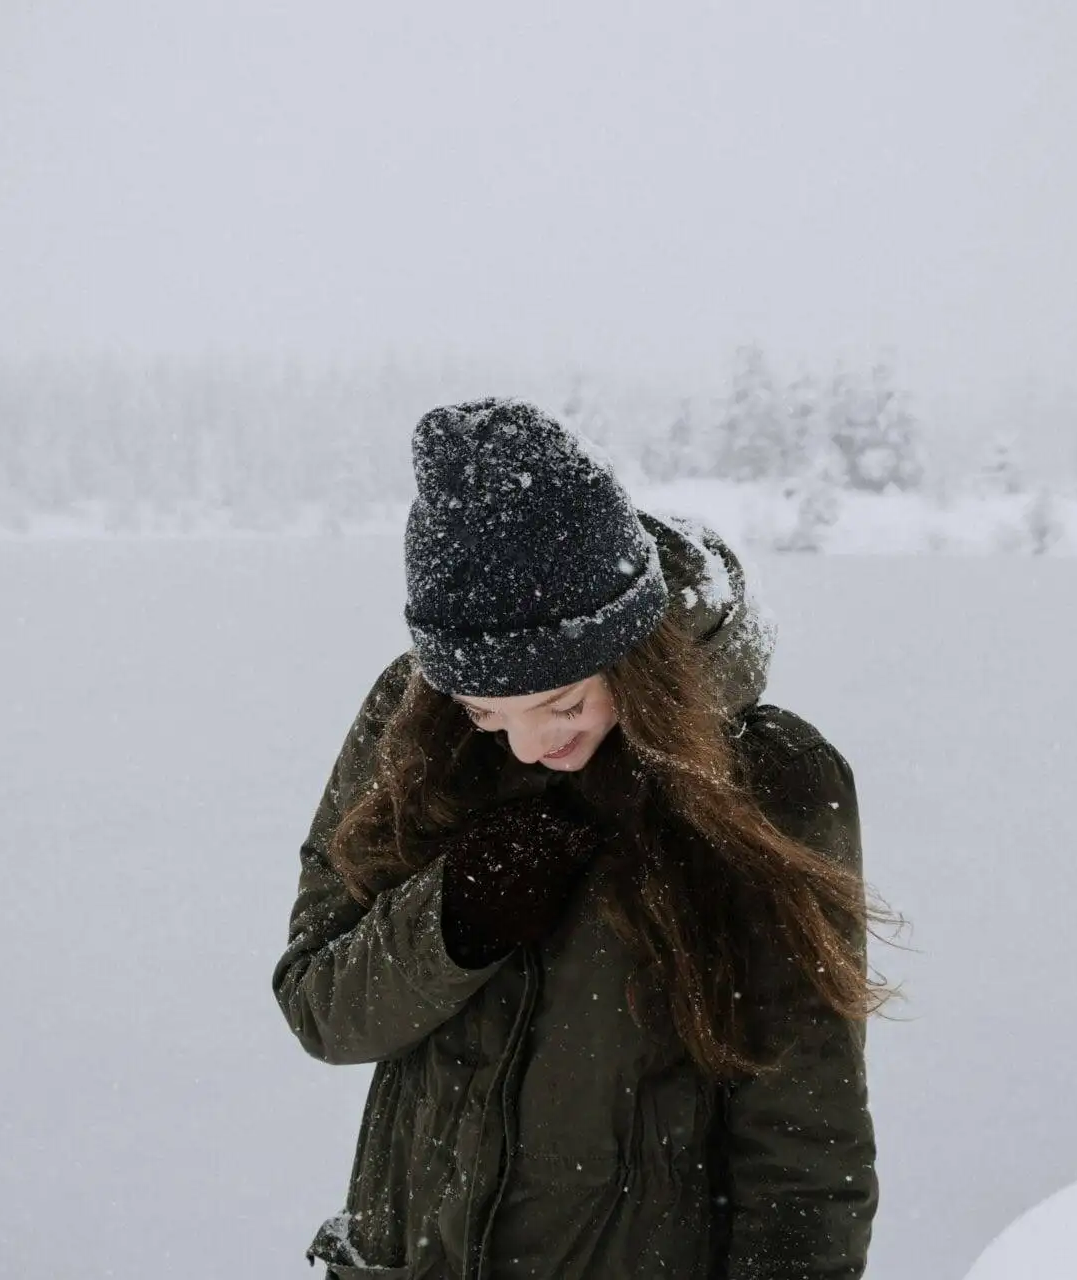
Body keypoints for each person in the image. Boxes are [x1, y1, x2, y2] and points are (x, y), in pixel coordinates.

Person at [274, 397, 888, 1279]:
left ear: (636, 654)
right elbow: (320, 1009)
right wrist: (452, 921)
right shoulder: (412, 725)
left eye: (564, 704)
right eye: (489, 711)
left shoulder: (769, 777)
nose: (531, 743)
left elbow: (805, 1148)